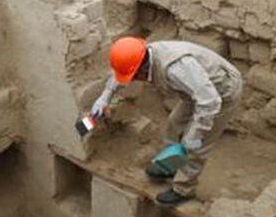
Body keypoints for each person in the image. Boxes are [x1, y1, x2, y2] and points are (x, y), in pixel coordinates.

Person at [89, 37, 244, 206]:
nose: (132, 80)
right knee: (174, 124)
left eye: (134, 77)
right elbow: (122, 73)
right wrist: (105, 97)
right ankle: (170, 165)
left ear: (142, 68)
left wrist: (195, 134)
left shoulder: (176, 69)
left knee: (198, 145)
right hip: (196, 92)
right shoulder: (139, 56)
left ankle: (183, 189)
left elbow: (209, 102)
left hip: (222, 93)